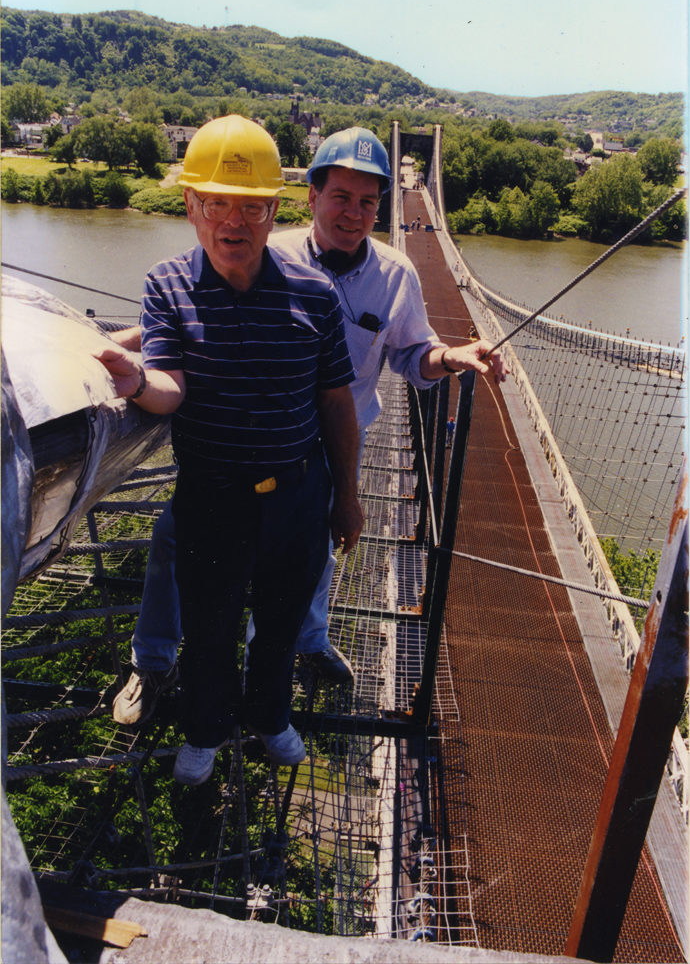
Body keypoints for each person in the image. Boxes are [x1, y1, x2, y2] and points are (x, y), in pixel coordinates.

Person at [112, 126, 507, 730]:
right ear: (310, 198)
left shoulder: (396, 274)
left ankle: (306, 643)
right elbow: (186, 308)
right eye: (341, 197)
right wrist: (109, 348)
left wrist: (450, 357)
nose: (354, 213)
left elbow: (411, 353)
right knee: (174, 538)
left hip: (335, 436)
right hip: (246, 433)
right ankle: (154, 659)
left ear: (382, 207)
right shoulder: (270, 245)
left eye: (369, 202)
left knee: (315, 549)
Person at [98, 115, 363, 785]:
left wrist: (349, 497)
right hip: (212, 498)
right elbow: (168, 383)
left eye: (249, 205)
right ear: (190, 206)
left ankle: (270, 720)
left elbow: (337, 403)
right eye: (215, 201)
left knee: (278, 629)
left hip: (300, 496)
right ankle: (206, 733)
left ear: (274, 210)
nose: (231, 220)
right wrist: (134, 382)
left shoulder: (315, 293)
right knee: (211, 632)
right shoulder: (167, 286)